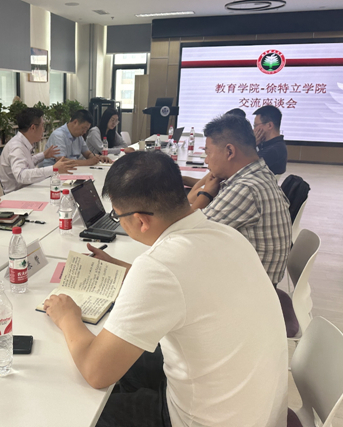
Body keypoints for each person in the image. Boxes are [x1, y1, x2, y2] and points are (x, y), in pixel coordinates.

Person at [44, 151, 288, 427]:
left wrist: (68, 317)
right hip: (255, 409)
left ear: (140, 221)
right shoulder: (227, 235)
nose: (118, 220)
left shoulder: (160, 266)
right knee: (130, 362)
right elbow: (188, 283)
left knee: (76, 408)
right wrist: (126, 270)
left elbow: (95, 372)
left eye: (116, 215)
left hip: (202, 420)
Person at [189, 114, 292, 286]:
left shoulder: (245, 189)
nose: (206, 160)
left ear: (229, 151)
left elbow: (186, 234)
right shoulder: (259, 173)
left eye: (208, 153)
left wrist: (206, 195)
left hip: (250, 290)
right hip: (254, 281)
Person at [0, 107, 77, 193]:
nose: (43, 130)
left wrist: (43, 155)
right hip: (17, 194)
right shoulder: (16, 147)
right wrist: (53, 169)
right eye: (42, 126)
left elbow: (27, 163)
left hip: (26, 190)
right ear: (33, 128)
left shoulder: (21, 142)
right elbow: (21, 175)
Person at [40, 110, 112, 167]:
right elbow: (61, 161)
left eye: (86, 129)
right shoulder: (58, 135)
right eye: (83, 128)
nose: (84, 132)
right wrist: (87, 162)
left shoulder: (79, 136)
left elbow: (88, 154)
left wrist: (98, 158)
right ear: (75, 122)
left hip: (71, 170)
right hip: (52, 174)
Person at [253, 105, 288, 175]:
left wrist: (251, 145)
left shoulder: (274, 150)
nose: (254, 130)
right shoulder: (267, 145)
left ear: (269, 125)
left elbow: (245, 168)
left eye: (256, 125)